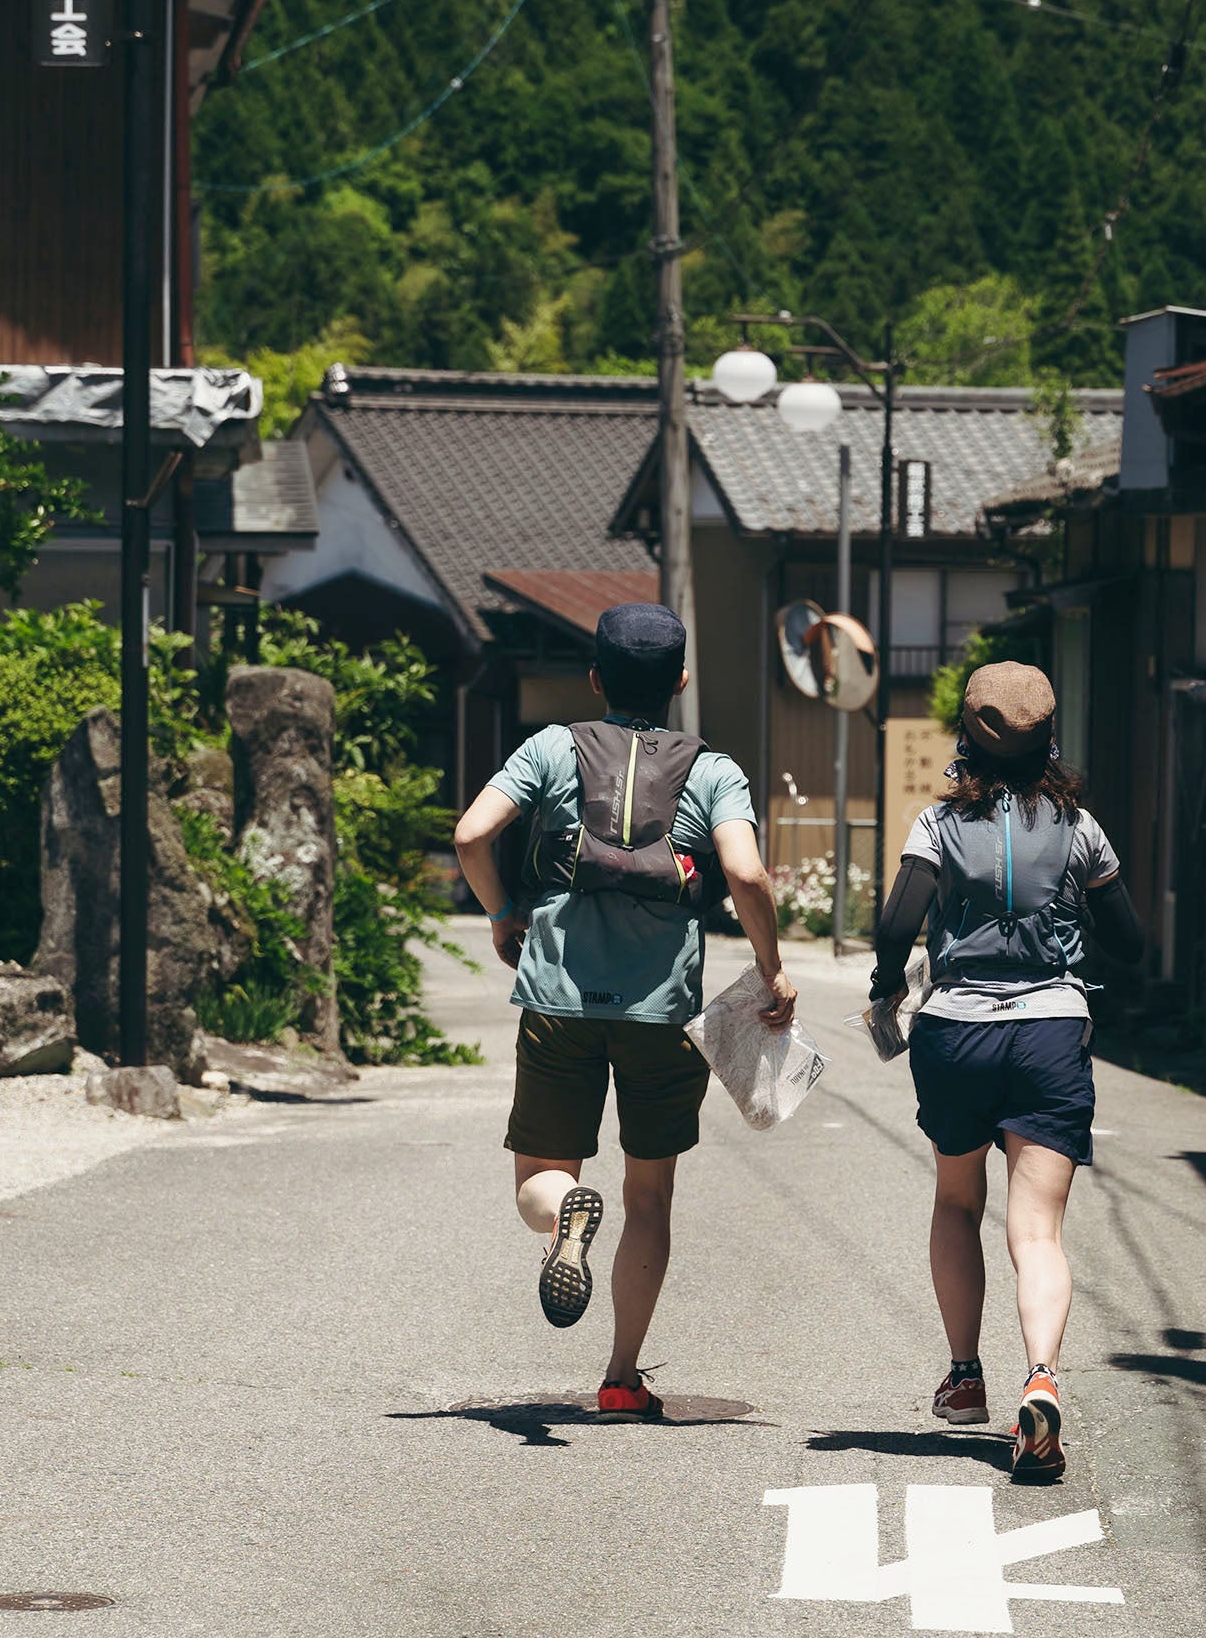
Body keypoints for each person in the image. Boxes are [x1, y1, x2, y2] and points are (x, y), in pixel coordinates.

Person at [450, 601, 796, 1421]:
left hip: (557, 1000)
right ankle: (620, 1377)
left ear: (596, 678)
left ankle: (564, 1213)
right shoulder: (714, 769)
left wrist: (504, 915)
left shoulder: (550, 748)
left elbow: (471, 835)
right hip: (662, 1014)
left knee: (541, 1176)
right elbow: (746, 877)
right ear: (679, 682)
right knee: (650, 1198)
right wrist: (771, 969)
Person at [870, 661, 1144, 1482]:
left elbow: (895, 924)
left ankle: (964, 1379)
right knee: (1039, 1231)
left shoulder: (934, 824)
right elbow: (1131, 942)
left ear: (967, 737)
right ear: (1047, 741)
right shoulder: (1081, 829)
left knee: (958, 1202)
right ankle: (1043, 1378)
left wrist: (891, 987)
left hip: (954, 1033)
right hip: (1051, 1033)